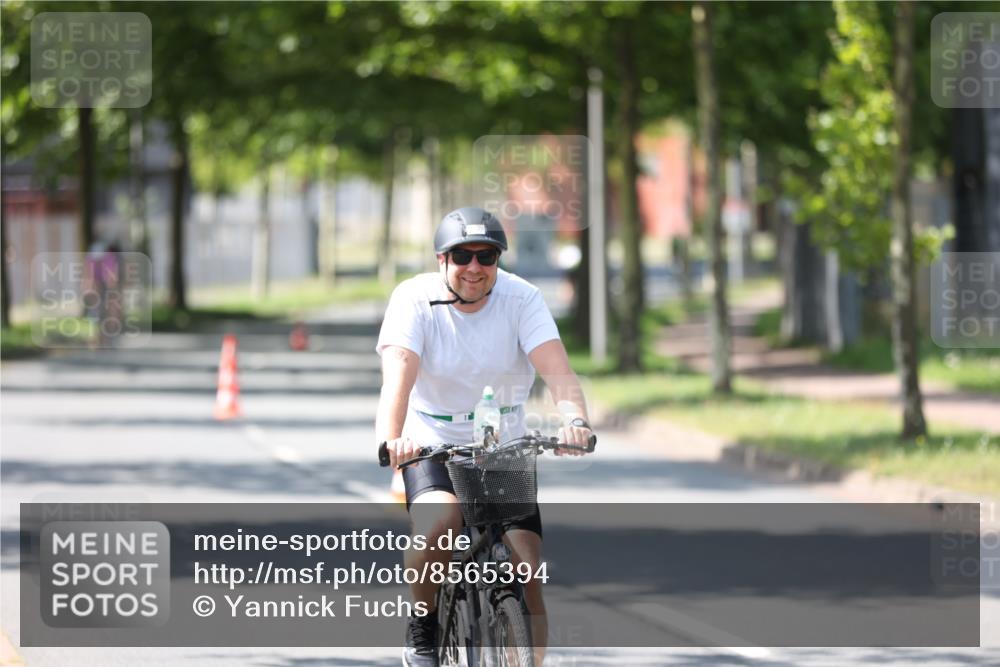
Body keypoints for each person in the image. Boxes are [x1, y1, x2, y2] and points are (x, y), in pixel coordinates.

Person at [376, 206, 595, 667]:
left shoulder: (522, 298)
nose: (474, 267)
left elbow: (558, 371)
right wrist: (393, 440)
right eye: (462, 256)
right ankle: (423, 626)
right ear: (442, 259)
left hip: (502, 444)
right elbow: (397, 380)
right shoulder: (413, 299)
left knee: (527, 568)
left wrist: (575, 420)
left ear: (498, 260)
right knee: (439, 525)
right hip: (432, 440)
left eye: (486, 256)